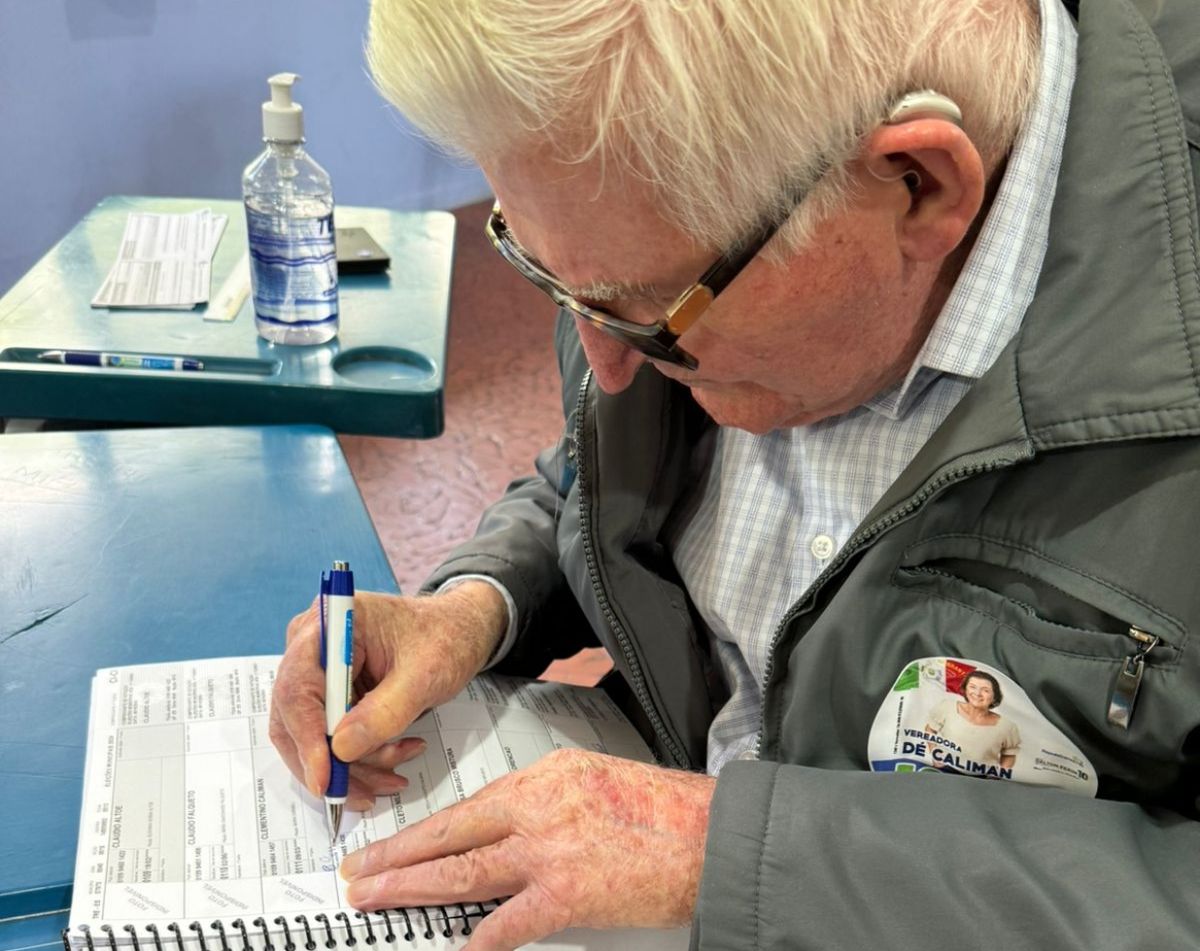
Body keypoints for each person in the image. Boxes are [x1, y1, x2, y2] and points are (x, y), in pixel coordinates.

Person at [270, 0, 1200, 947]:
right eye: (547, 273)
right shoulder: (685, 235)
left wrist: (739, 852)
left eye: (645, 310)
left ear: (917, 184)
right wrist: (481, 603)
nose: (607, 363)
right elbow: (602, 467)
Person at [925, 670, 1020, 771]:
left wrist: (997, 775)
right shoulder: (947, 707)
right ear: (965, 689)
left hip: (982, 779)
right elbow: (930, 729)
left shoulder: (1007, 726)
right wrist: (934, 754)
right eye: (972, 687)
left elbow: (1009, 754)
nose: (978, 693)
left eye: (985, 690)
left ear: (994, 697)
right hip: (945, 770)